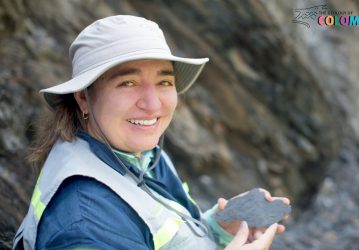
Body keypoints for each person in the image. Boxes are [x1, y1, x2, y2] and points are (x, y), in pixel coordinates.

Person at [13, 15, 289, 250]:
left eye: (164, 81)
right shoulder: (87, 222)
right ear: (83, 98)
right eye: (128, 82)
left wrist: (219, 227)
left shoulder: (136, 153)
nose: (153, 104)